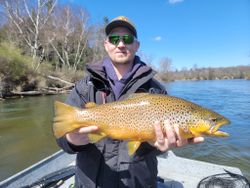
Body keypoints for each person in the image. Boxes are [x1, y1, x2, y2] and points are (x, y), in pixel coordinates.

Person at [56, 16, 204, 188]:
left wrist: (155, 146)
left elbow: (157, 148)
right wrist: (72, 139)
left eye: (127, 39)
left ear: (136, 45)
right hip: (90, 182)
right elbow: (62, 137)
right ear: (106, 44)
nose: (120, 44)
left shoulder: (156, 91)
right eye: (114, 39)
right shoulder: (84, 87)